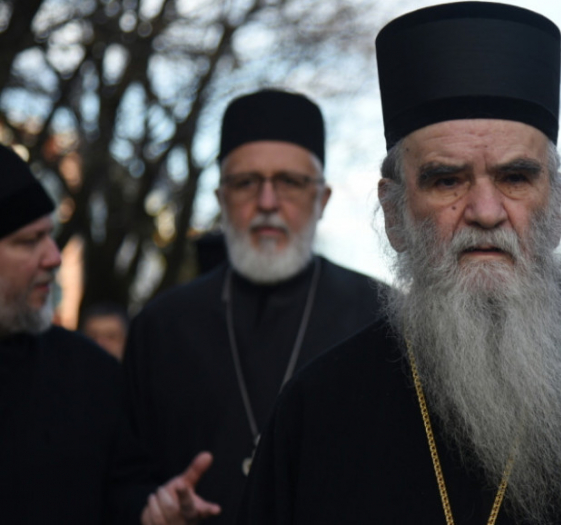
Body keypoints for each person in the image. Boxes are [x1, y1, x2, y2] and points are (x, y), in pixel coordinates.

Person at [236, 4, 561, 524]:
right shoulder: (316, 413)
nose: (486, 212)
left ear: (555, 207)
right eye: (447, 180)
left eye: (515, 179)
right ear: (394, 214)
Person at [123, 89, 382, 525]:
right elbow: (121, 477)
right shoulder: (160, 326)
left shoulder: (382, 316)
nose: (266, 203)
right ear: (221, 199)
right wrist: (152, 508)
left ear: (322, 199)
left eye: (289, 182)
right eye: (246, 183)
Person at [0, 144, 218, 524]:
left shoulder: (90, 373)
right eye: (28, 241)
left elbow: (124, 488)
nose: (54, 257)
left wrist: (151, 511)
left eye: (50, 235)